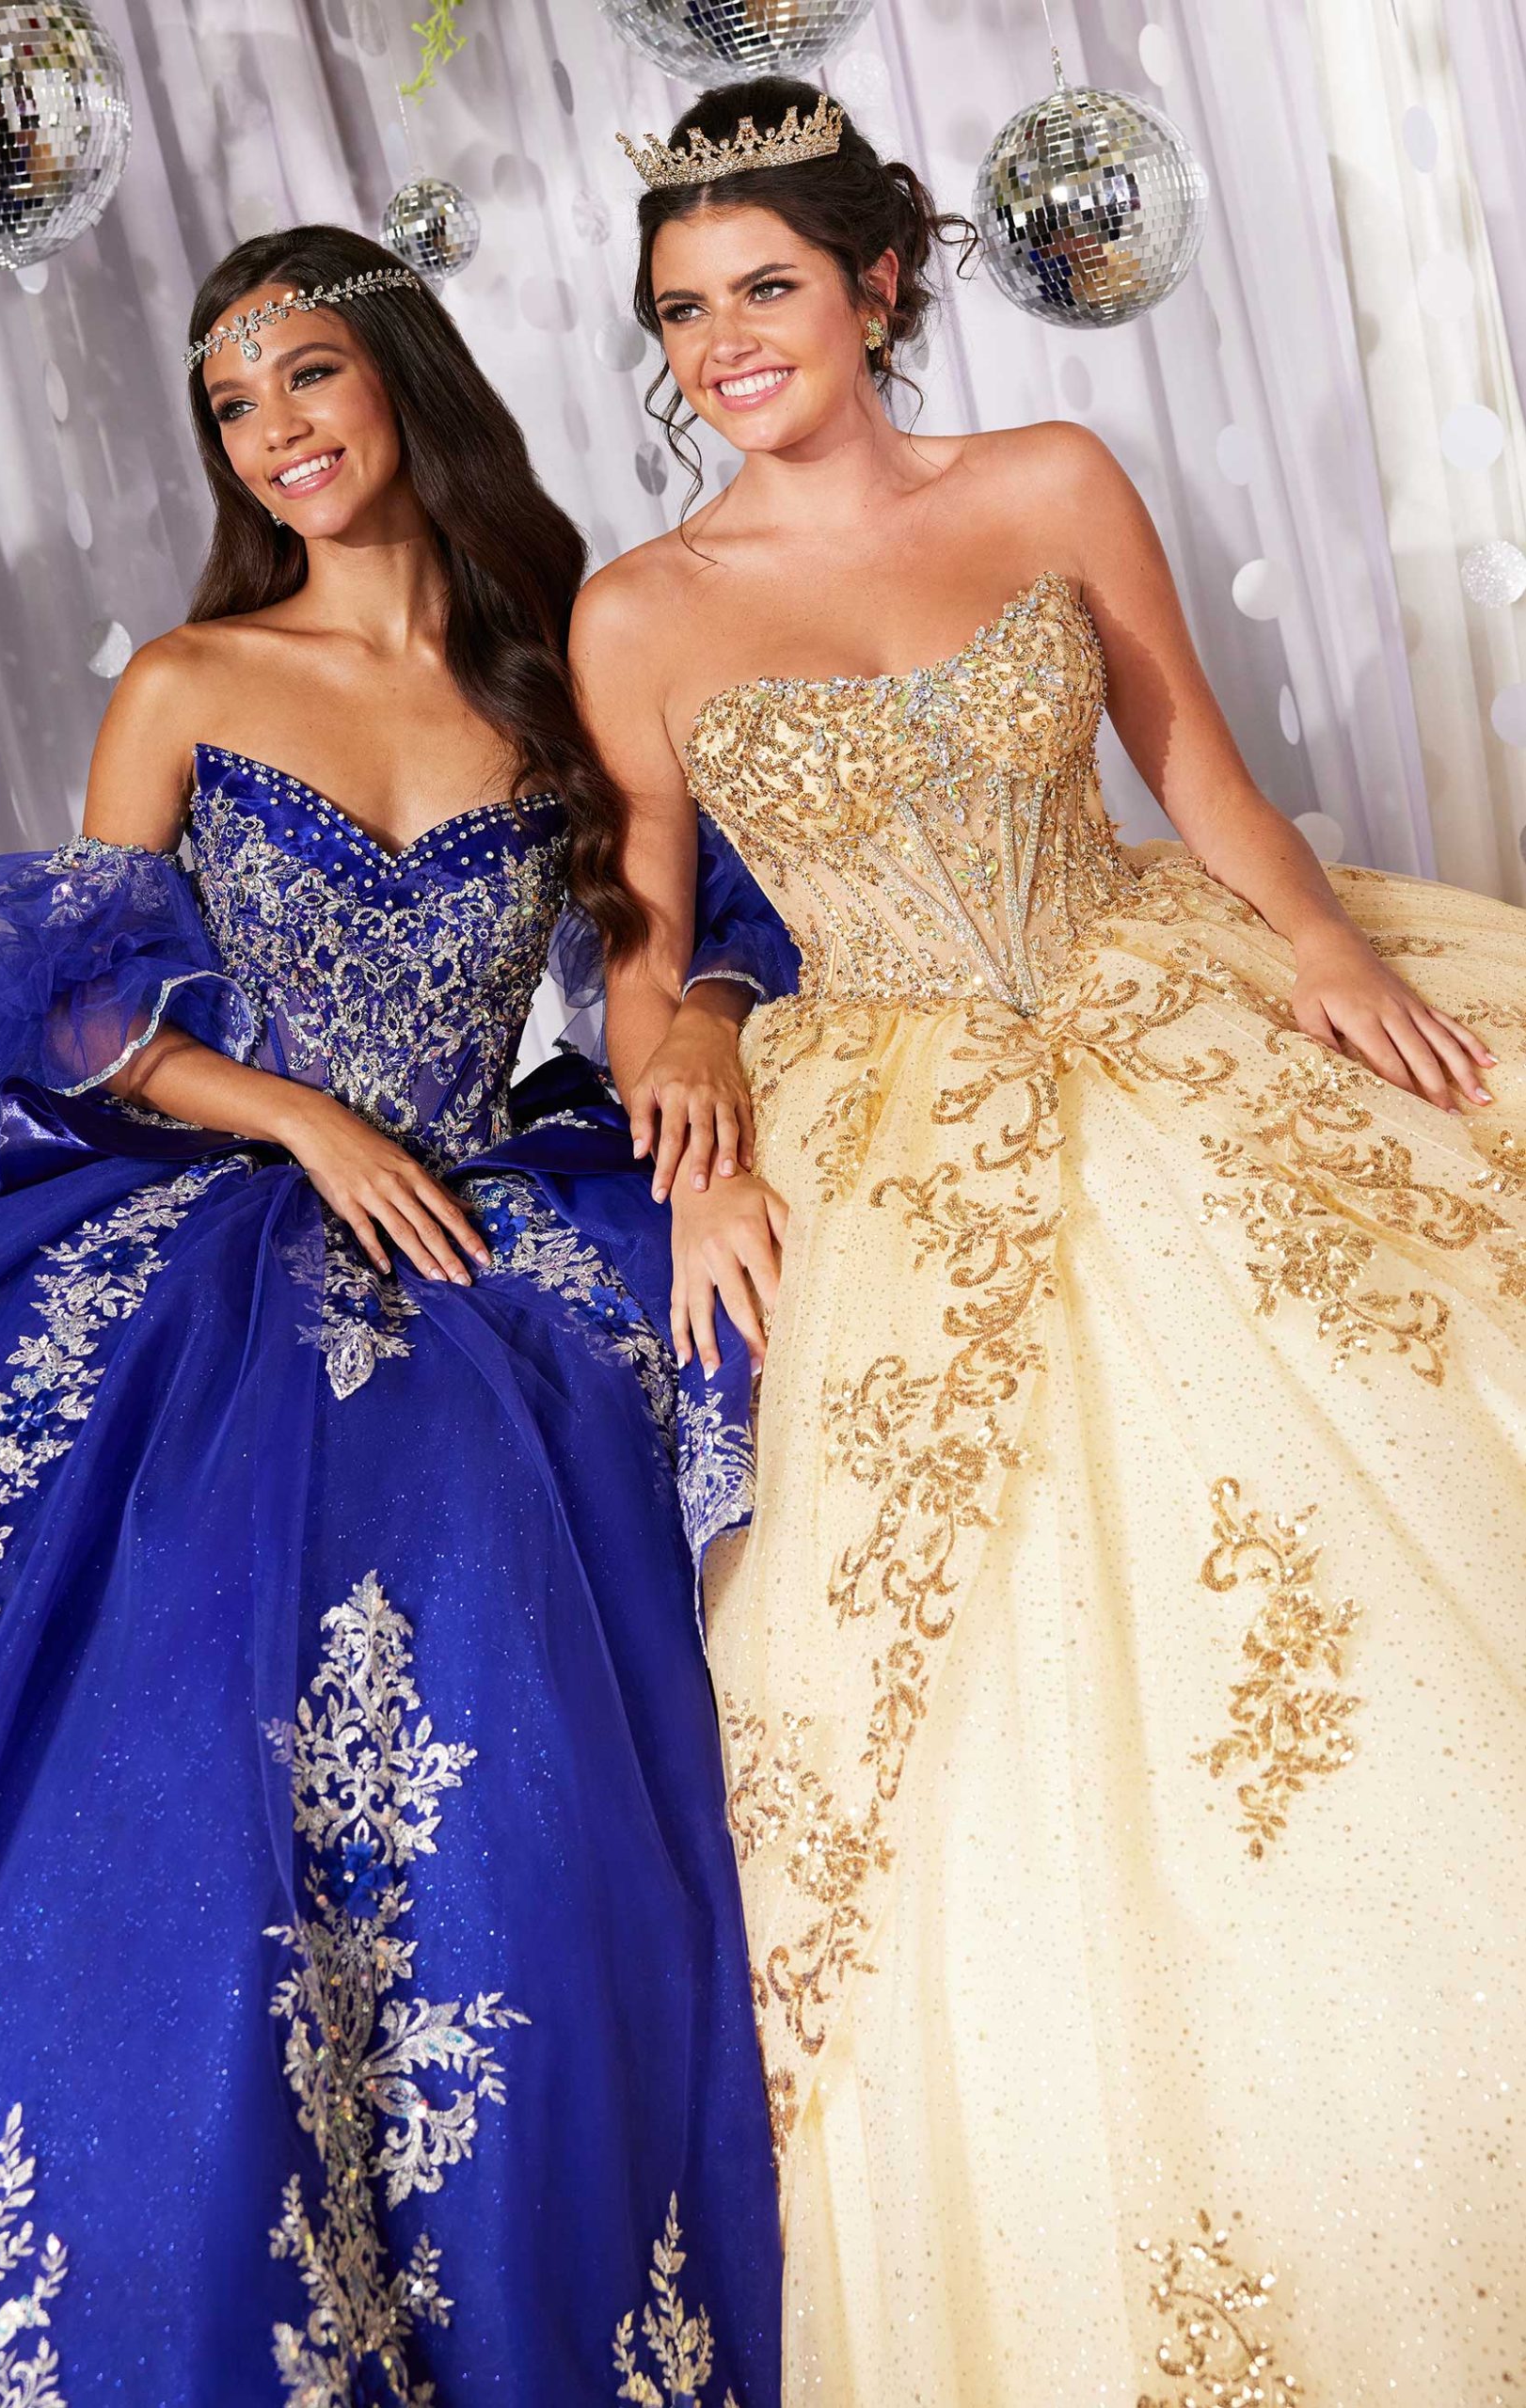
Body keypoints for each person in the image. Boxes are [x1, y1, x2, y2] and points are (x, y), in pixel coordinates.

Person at [571, 76, 1526, 2408]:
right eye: (683, 312)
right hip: (875, 1094)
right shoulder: (640, 606)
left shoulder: (1045, 481)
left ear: (875, 283)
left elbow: (1190, 761)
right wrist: (689, 1132)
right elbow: (644, 938)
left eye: (765, 287)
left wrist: (1321, 946)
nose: (724, 342)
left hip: (1141, 978)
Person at [0, 224, 781, 2407]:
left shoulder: (563, 658)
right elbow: (70, 1010)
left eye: (308, 376)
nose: (274, 431)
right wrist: (298, 1119)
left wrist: (703, 1028)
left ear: (402, 382)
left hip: (491, 1208)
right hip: (245, 1224)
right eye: (232, 403)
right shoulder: (188, 678)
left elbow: (684, 923)